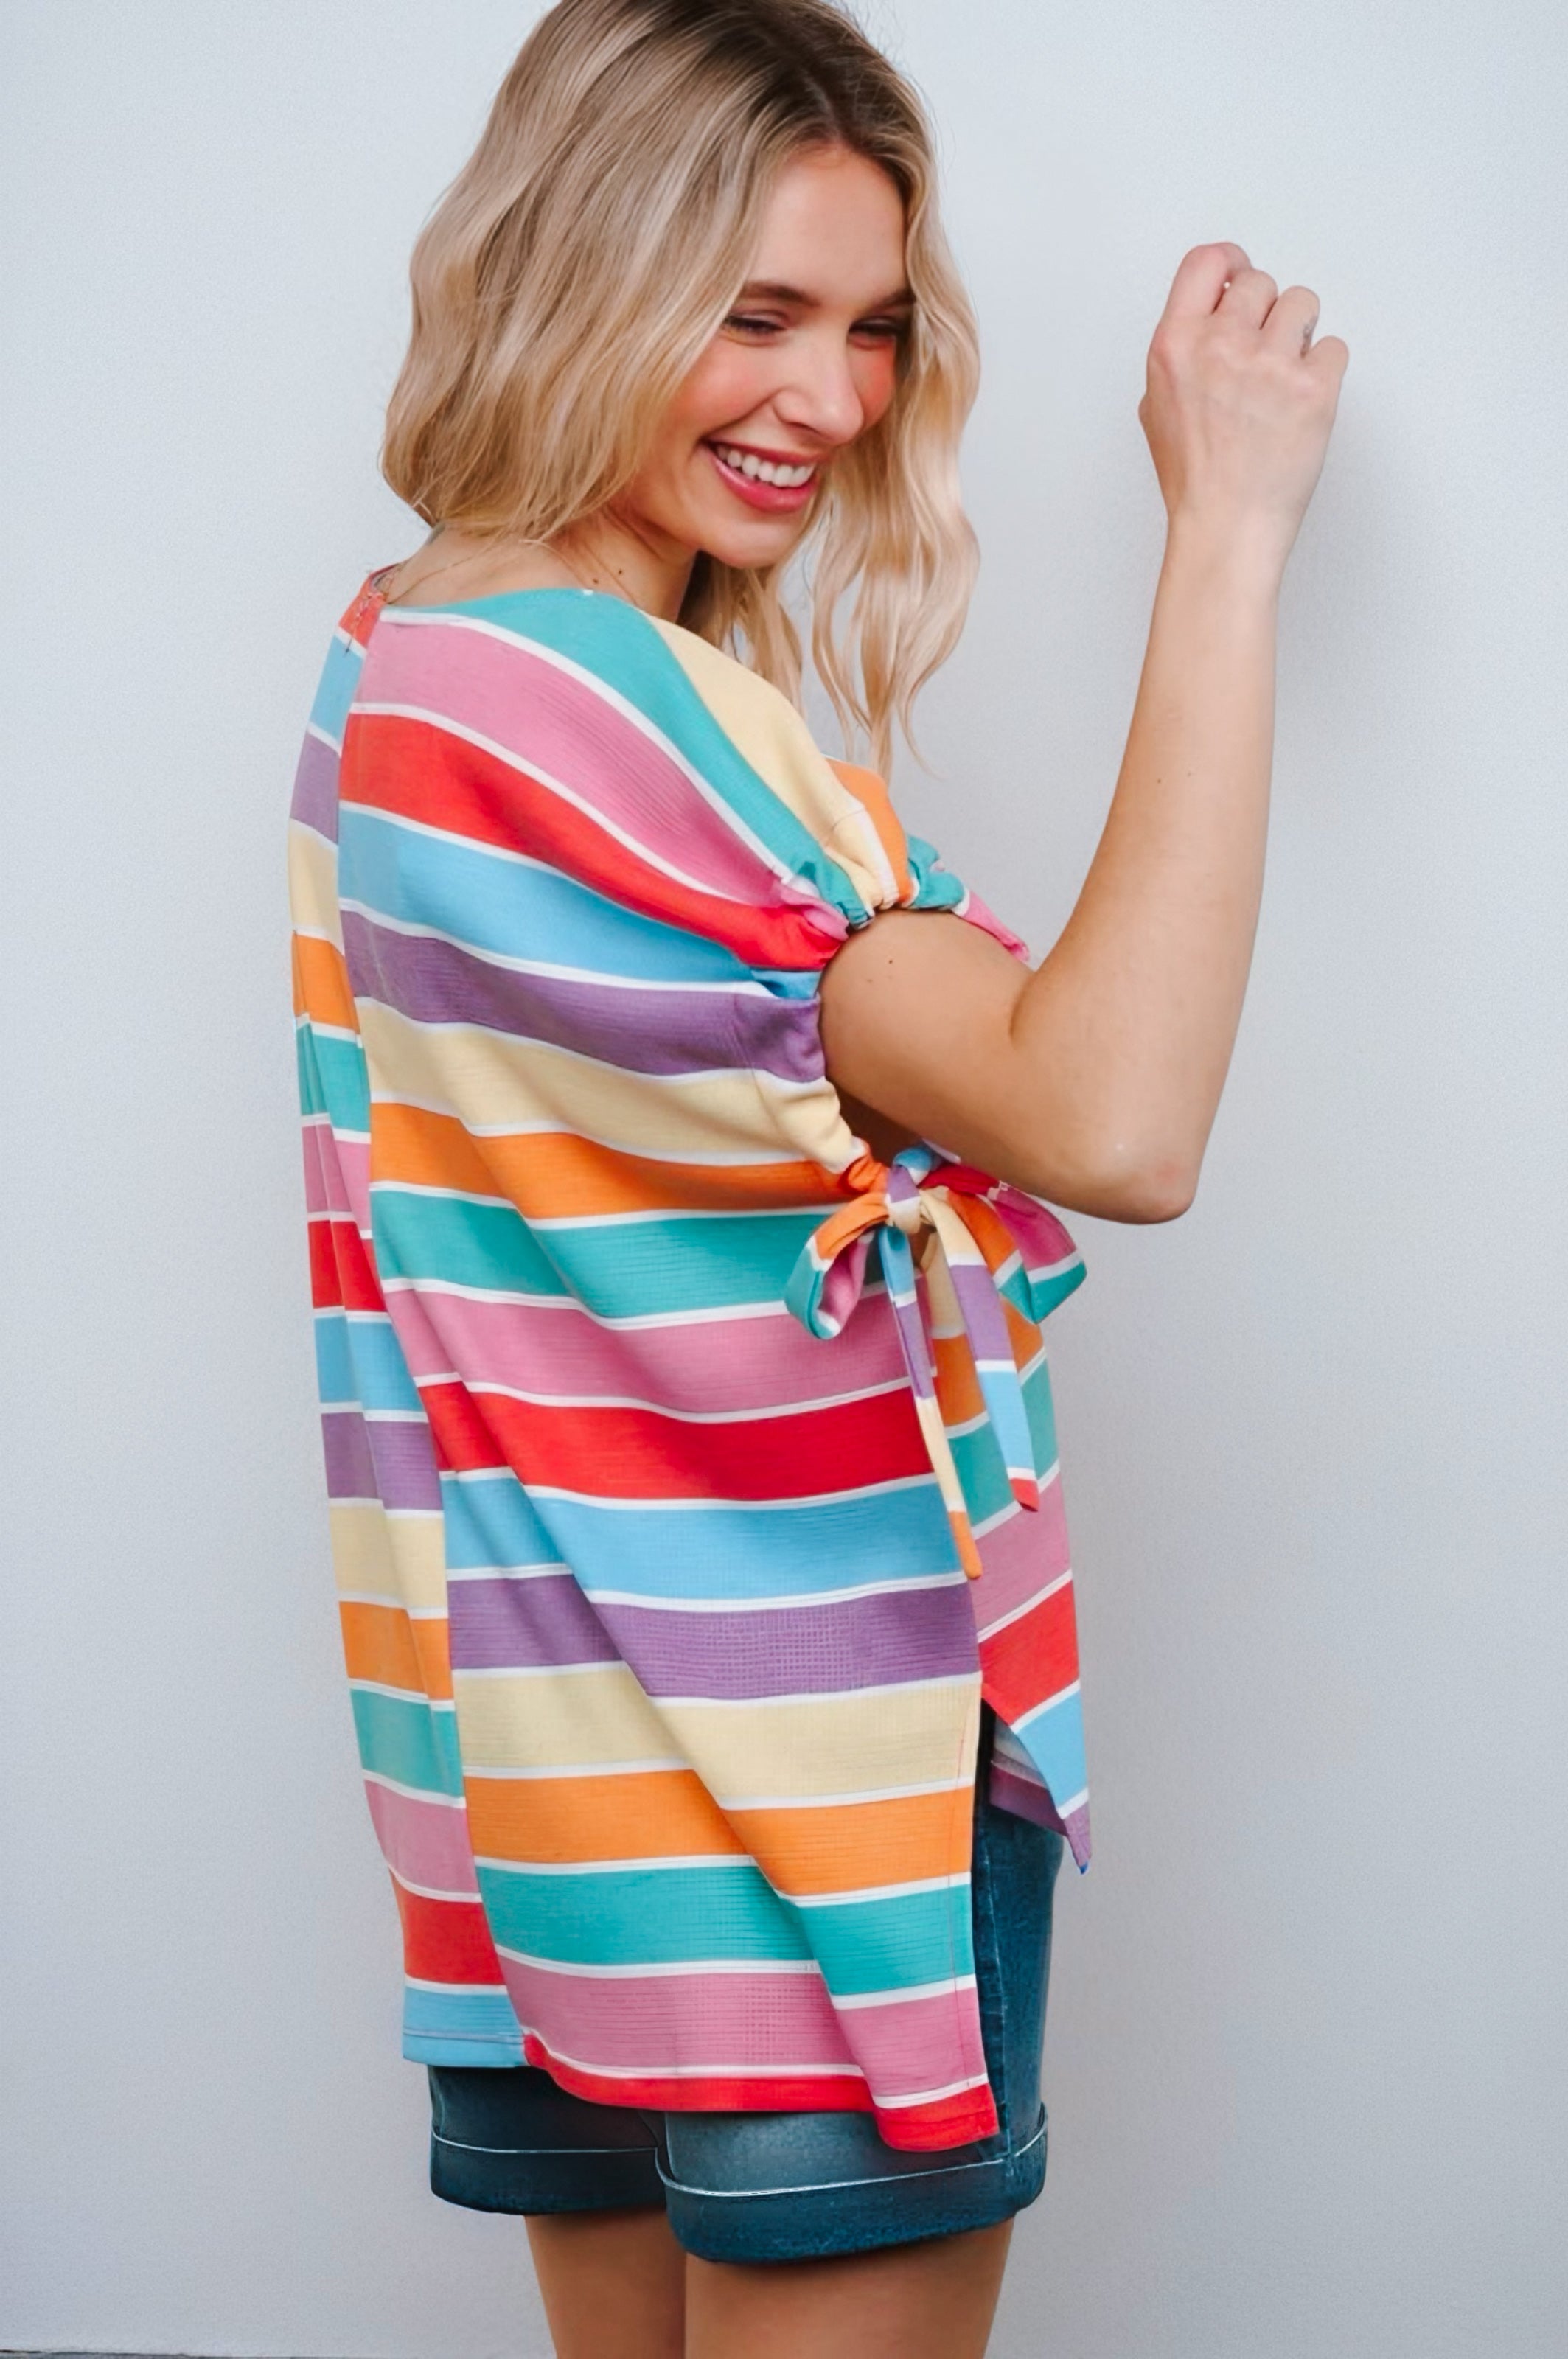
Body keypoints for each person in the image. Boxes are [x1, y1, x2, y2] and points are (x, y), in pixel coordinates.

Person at [285, 1, 1348, 2351]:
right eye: (752, 313)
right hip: (813, 1801)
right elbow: (1116, 1118)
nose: (837, 403)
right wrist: (1232, 539)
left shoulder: (401, 664)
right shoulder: (607, 715)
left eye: (869, 330)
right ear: (577, 269)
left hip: (554, 1775)